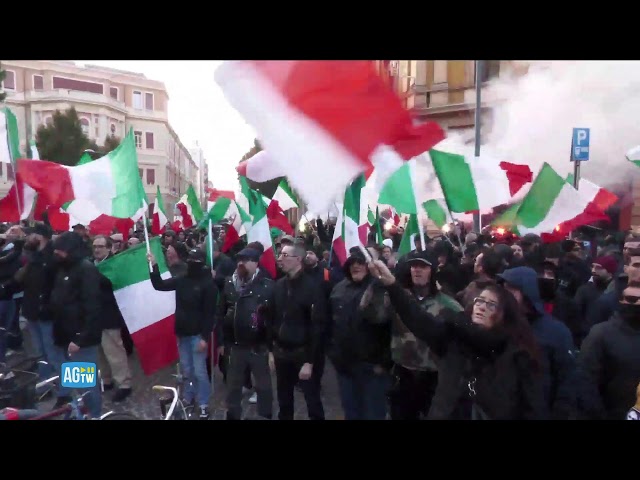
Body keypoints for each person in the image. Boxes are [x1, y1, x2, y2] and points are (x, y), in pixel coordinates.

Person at [369, 260, 546, 420]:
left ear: (504, 315)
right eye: (480, 301)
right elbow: (419, 320)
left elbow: (532, 408)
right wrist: (392, 284)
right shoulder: (454, 336)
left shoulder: (517, 352)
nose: (482, 307)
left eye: (491, 304)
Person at [388, 250, 463, 420]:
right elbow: (372, 315)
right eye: (414, 266)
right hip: (403, 374)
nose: (417, 270)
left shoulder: (449, 305)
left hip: (434, 378)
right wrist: (380, 283)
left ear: (433, 271)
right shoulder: (400, 300)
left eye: (423, 266)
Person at [148, 248, 217, 420]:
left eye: (196, 260)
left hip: (197, 336)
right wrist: (153, 266)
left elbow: (210, 314)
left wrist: (204, 337)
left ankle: (203, 404)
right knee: (187, 370)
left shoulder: (208, 284)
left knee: (200, 372)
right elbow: (159, 285)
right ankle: (188, 397)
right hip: (182, 333)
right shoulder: (182, 280)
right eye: (191, 259)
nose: (193, 263)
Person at [327, 248, 394, 420]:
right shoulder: (339, 289)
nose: (356, 266)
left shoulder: (382, 288)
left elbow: (392, 328)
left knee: (373, 413)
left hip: (373, 368)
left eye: (361, 262)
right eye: (353, 262)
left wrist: (385, 363)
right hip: (345, 366)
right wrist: (334, 354)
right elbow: (330, 323)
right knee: (351, 412)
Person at [49, 232, 103, 418]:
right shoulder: (63, 267)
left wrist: (80, 337)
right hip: (65, 336)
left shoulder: (85, 269)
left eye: (60, 250)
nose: (56, 253)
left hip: (81, 340)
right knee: (74, 381)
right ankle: (79, 412)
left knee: (86, 384)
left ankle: (93, 415)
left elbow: (93, 307)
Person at [217, 247, 274, 420]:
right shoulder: (229, 283)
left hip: (258, 346)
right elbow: (220, 313)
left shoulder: (267, 286)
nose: (241, 263)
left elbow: (273, 319)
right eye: (239, 260)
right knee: (233, 387)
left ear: (256, 263)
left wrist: (271, 348)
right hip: (234, 346)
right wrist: (221, 341)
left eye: (246, 260)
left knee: (263, 387)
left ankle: (265, 416)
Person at [271, 243, 327, 420]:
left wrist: (310, 361)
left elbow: (317, 326)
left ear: (298, 259)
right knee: (284, 399)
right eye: (280, 255)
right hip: (282, 353)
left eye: (285, 255)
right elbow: (273, 318)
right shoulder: (279, 286)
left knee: (312, 400)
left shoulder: (313, 287)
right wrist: (271, 350)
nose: (280, 259)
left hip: (304, 354)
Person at [92, 235, 133, 402]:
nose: (96, 249)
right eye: (94, 246)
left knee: (114, 352)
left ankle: (124, 384)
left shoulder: (114, 264)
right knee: (100, 352)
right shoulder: (91, 263)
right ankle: (106, 380)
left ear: (109, 248)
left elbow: (115, 285)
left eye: (100, 246)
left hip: (110, 315)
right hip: (94, 315)